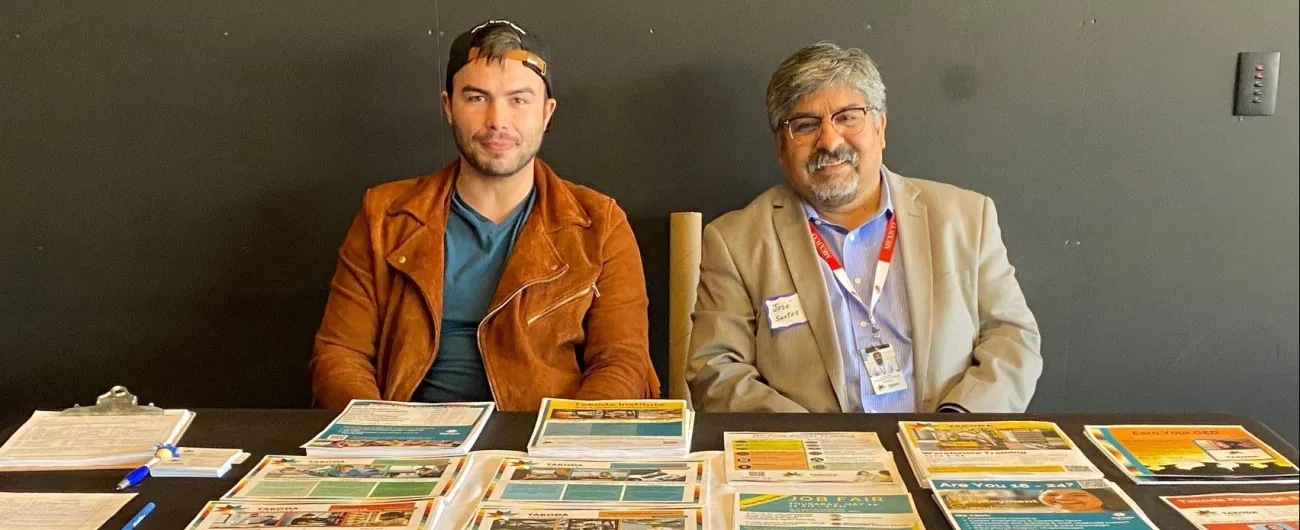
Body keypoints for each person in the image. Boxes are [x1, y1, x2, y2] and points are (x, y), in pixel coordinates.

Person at [310, 20, 659, 411]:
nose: (497, 120)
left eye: (518, 100)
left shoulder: (600, 225)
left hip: (539, 447)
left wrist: (564, 444)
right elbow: (340, 354)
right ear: (448, 107)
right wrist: (381, 437)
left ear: (547, 113)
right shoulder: (384, 216)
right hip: (410, 442)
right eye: (476, 98)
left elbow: (622, 364)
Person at [687, 42, 1041, 413]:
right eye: (806, 125)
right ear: (780, 146)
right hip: (813, 460)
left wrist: (955, 425)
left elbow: (1012, 337)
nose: (829, 140)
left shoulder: (967, 217)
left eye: (847, 117)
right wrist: (813, 443)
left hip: (942, 447)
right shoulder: (734, 241)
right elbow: (716, 370)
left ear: (880, 127)